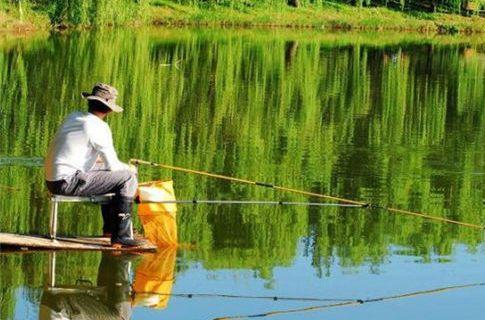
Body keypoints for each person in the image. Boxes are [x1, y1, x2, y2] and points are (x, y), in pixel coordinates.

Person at [44, 83, 141, 247]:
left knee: (113, 175)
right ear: (109, 109)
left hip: (53, 179)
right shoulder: (99, 127)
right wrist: (131, 169)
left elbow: (82, 155)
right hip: (67, 181)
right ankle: (121, 236)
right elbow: (113, 166)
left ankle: (110, 229)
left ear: (90, 102)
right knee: (127, 178)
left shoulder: (73, 117)